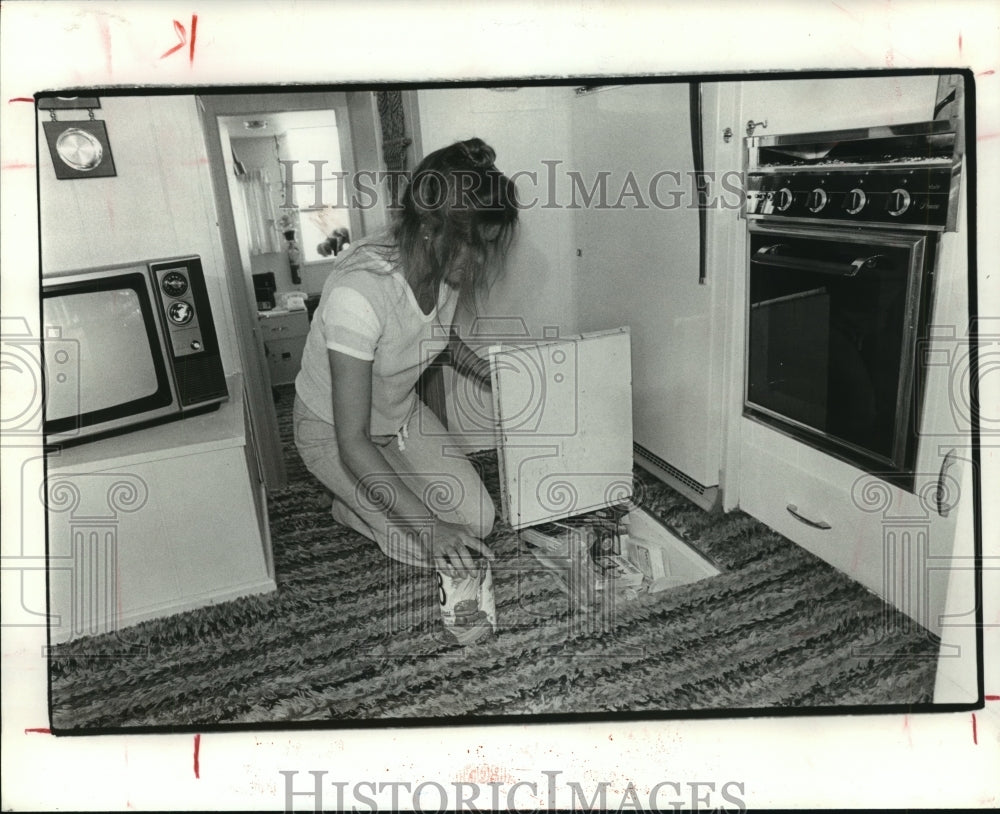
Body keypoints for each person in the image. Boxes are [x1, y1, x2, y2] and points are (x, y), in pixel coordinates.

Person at [293, 137, 519, 580]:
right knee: (426, 546)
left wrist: (491, 375)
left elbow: (432, 332)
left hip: (397, 416)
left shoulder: (444, 271)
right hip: (332, 432)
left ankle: (368, 493)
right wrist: (429, 527)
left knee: (477, 523)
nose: (478, 262)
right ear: (431, 229)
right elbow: (352, 438)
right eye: (470, 246)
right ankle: (349, 503)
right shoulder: (358, 293)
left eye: (486, 246)